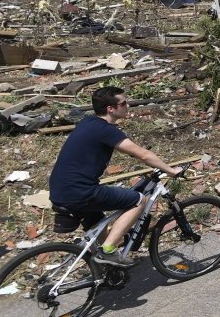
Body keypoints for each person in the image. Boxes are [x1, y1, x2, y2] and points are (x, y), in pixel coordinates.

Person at [49, 85, 182, 268]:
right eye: (124, 103)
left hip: (60, 189)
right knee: (139, 201)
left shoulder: (88, 123)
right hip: (81, 191)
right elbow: (142, 154)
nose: (128, 106)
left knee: (97, 222)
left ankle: (103, 269)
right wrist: (170, 170)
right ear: (110, 109)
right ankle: (108, 251)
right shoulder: (106, 130)